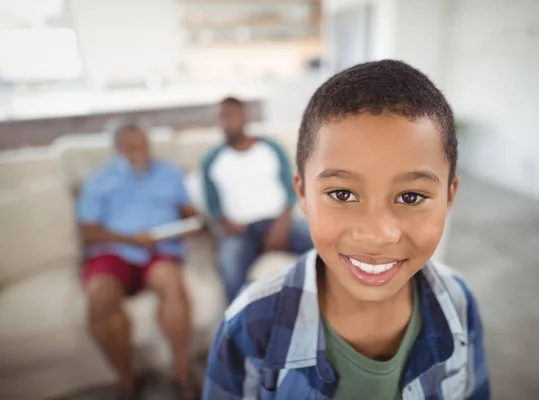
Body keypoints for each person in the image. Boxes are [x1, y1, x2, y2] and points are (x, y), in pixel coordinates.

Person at [203, 60, 490, 399]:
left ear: (449, 196)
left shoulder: (457, 302)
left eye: (410, 196)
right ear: (304, 193)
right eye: (342, 194)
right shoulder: (248, 325)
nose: (376, 234)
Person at [77, 119, 199, 400]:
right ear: (117, 148)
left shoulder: (170, 174)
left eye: (143, 144)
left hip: (160, 251)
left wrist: (190, 222)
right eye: (130, 146)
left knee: (172, 282)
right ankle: (126, 382)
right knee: (100, 296)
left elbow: (189, 211)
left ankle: (182, 374)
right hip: (115, 251)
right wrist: (131, 240)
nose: (138, 150)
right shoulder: (100, 180)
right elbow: (88, 231)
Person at [201, 97, 313, 302]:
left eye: (231, 116)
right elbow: (212, 204)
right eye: (222, 118)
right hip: (240, 231)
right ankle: (238, 325)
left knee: (325, 241)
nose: (226, 122)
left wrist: (282, 224)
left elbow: (292, 190)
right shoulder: (212, 159)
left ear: (244, 117)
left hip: (279, 222)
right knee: (230, 263)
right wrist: (225, 223)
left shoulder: (271, 148)